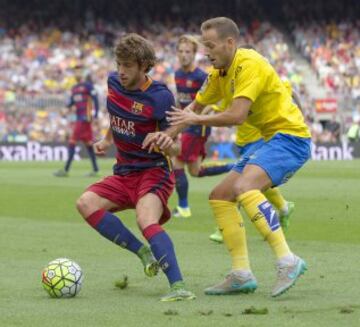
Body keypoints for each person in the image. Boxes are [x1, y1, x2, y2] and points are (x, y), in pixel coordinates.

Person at [144, 17, 311, 298]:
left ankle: (287, 260)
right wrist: (168, 135)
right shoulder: (218, 74)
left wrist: (197, 118)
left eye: (210, 46)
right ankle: (241, 273)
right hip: (271, 141)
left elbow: (236, 115)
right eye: (204, 46)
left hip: (291, 139)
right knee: (220, 195)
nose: (206, 52)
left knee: (245, 187)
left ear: (229, 43)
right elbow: (193, 109)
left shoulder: (249, 64)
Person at [76, 33, 195, 302]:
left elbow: (176, 146)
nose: (121, 71)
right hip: (124, 172)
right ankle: (143, 253)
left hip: (154, 172)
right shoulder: (113, 82)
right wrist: (106, 140)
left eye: (128, 65)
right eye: (119, 64)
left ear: (144, 66)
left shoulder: (160, 97)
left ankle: (179, 286)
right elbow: (117, 115)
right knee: (85, 203)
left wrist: (167, 142)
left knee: (145, 219)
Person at [172, 34, 233, 218]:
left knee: (176, 162)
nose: (184, 55)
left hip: (198, 125)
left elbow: (217, 97)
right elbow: (181, 100)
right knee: (195, 171)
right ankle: (233, 167)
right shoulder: (177, 74)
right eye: (181, 51)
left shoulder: (201, 76)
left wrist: (202, 115)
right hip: (185, 123)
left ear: (195, 54)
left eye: (188, 52)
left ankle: (183, 208)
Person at [54, 65, 99, 177]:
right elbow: (71, 103)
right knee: (88, 144)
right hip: (80, 118)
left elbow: (96, 99)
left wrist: (96, 114)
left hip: (85, 118)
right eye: (75, 72)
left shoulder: (88, 86)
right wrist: (66, 108)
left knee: (72, 141)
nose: (76, 74)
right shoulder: (74, 88)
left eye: (79, 71)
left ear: (82, 73)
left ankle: (65, 170)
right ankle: (95, 169)